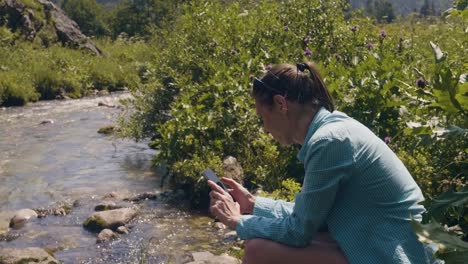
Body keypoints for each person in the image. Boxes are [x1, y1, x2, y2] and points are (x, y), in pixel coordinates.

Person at [208, 62, 431, 264]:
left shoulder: (328, 142)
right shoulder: (334, 128)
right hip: (384, 243)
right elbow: (310, 217)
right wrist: (252, 204)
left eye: (262, 117)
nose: (265, 128)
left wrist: (238, 221)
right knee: (267, 245)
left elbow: (299, 231)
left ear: (280, 104)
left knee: (259, 251)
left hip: (397, 255)